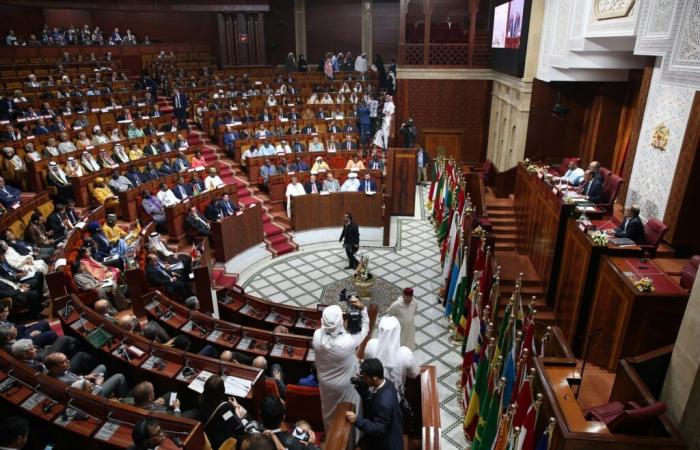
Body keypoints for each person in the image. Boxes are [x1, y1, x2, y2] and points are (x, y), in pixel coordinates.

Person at [312, 298, 369, 430]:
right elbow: (365, 328)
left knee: (329, 412)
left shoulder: (317, 337)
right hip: (345, 385)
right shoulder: (348, 342)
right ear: (340, 322)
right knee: (350, 411)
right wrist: (363, 309)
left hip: (326, 384)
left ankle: (330, 434)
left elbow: (326, 330)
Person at [345, 358, 403, 450]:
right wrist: (363, 387)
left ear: (375, 378)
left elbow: (379, 429)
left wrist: (357, 420)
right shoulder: (387, 383)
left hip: (387, 444)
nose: (363, 379)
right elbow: (373, 403)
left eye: (365, 377)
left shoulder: (384, 403)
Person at [364, 316, 420, 400]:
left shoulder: (371, 345)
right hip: (395, 398)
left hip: (373, 396)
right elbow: (414, 374)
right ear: (398, 331)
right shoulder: (405, 353)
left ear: (379, 330)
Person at [193, 375, 247, 450]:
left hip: (209, 435)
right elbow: (236, 426)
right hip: (220, 443)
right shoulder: (225, 408)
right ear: (223, 391)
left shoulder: (200, 399)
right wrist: (236, 407)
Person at [45, 351, 129, 398]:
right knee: (119, 377)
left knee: (101, 367)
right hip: (94, 396)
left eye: (66, 358)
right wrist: (98, 385)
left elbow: (74, 379)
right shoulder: (64, 383)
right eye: (63, 362)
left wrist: (85, 377)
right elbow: (87, 398)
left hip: (86, 385)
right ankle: (124, 400)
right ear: (54, 367)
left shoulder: (58, 371)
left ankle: (110, 392)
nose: (68, 361)